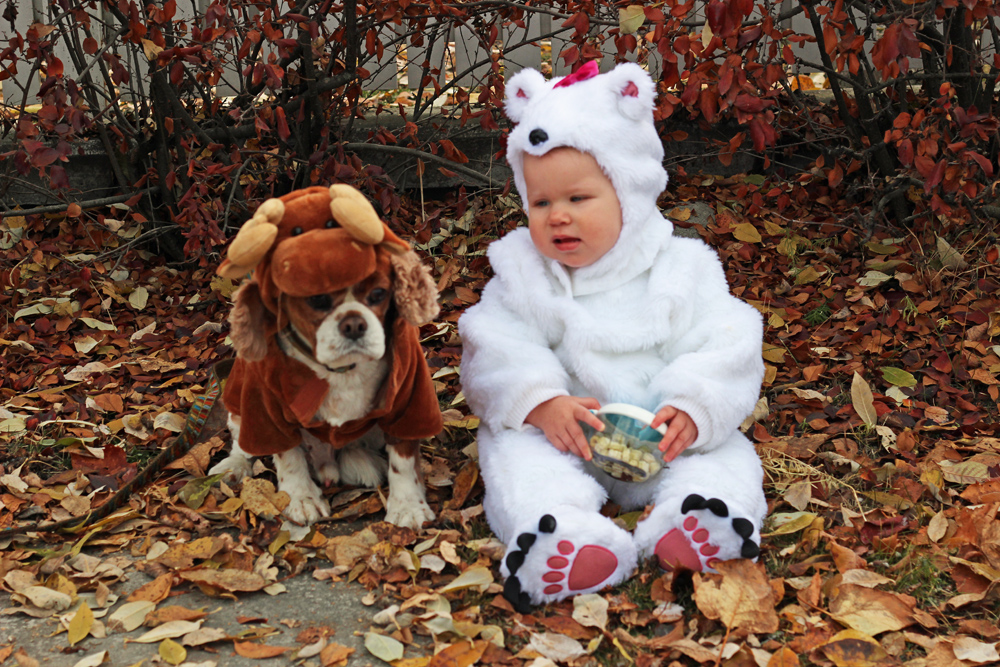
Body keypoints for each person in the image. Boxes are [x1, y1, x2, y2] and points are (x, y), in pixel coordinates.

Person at [457, 61, 768, 612]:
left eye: (578, 199)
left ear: (630, 191)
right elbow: (494, 344)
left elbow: (728, 339)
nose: (557, 218)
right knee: (512, 450)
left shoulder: (679, 267)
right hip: (568, 438)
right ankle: (560, 535)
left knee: (724, 453)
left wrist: (694, 406)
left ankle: (700, 520)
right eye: (541, 202)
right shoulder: (522, 272)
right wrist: (539, 401)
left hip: (664, 437)